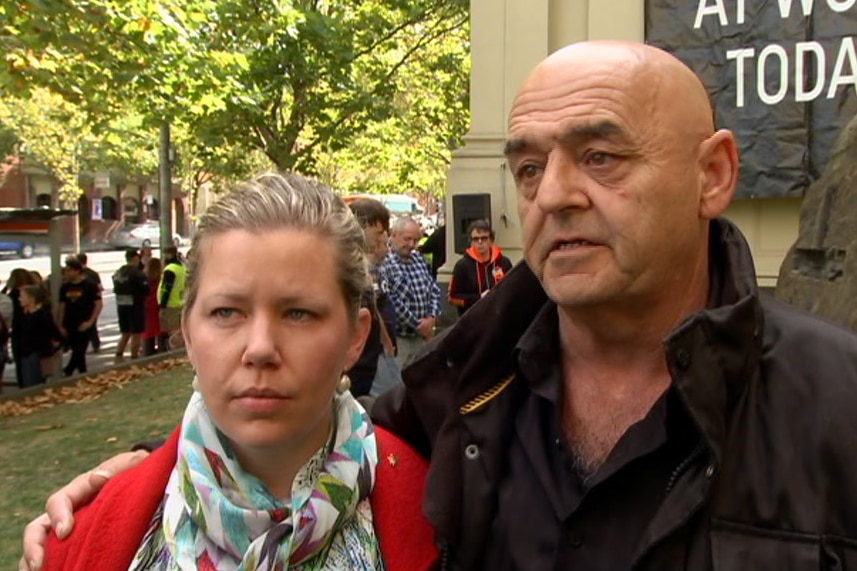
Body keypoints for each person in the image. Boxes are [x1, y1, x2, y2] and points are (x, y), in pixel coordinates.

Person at [23, 41, 857, 571]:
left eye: (600, 156)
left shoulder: (837, 404)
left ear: (712, 174)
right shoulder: (454, 401)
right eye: (528, 168)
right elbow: (283, 430)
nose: (554, 195)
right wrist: (139, 469)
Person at [30, 171, 437, 571]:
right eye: (226, 312)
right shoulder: (77, 537)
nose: (260, 348)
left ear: (355, 336)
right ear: (188, 333)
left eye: (298, 313)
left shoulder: (442, 520)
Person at [347, 198, 402, 398]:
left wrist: (385, 342)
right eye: (378, 232)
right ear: (362, 227)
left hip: (370, 357)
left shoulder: (367, 267)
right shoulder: (346, 266)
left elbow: (374, 309)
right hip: (356, 363)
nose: (384, 237)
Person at [377, 216, 440, 368]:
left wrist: (432, 317)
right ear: (394, 235)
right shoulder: (385, 263)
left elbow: (434, 289)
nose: (412, 244)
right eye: (407, 239)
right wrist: (419, 325)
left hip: (421, 339)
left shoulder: (419, 259)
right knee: (396, 385)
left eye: (416, 240)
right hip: (400, 339)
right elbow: (391, 300)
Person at [447, 219, 513, 315]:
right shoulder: (462, 266)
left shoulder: (503, 263)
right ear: (471, 242)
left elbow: (512, 289)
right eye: (476, 239)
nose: (480, 242)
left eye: (484, 238)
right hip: (472, 320)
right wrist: (479, 298)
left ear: (491, 240)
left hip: (499, 318)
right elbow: (452, 298)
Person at [57, 258, 102, 377]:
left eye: (69, 270)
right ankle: (83, 374)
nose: (66, 273)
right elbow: (62, 306)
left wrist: (90, 321)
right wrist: (60, 325)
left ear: (77, 271)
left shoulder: (90, 285)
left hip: (84, 323)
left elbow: (98, 304)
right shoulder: (65, 287)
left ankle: (68, 370)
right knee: (78, 353)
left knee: (79, 350)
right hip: (69, 323)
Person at [18, 284, 63, 387]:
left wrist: (55, 347)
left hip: (37, 354)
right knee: (27, 382)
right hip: (26, 353)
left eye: (22, 296)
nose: (19, 299)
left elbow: (54, 332)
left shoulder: (42, 315)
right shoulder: (27, 314)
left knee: (34, 382)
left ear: (31, 298)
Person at [112, 248, 149, 362]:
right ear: (135, 258)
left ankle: (119, 354)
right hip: (135, 305)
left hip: (121, 305)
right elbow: (146, 289)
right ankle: (134, 357)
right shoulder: (137, 273)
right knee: (136, 333)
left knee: (125, 333)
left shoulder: (119, 272)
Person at [3, 268, 36, 388]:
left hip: (19, 331)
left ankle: (24, 385)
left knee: (21, 363)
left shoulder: (14, 295)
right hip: (30, 332)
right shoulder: (34, 291)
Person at [158, 245, 185, 349]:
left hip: (170, 303)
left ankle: (176, 351)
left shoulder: (170, 269)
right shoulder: (181, 267)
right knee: (178, 330)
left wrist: (162, 304)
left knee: (173, 331)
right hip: (179, 302)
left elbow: (166, 288)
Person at [77, 252, 103, 353]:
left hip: (81, 302)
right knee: (92, 324)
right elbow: (100, 288)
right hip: (92, 303)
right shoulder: (93, 273)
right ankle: (95, 344)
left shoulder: (79, 273)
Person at [141, 257, 164, 356]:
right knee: (160, 330)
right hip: (158, 305)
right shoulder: (160, 278)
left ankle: (147, 352)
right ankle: (161, 352)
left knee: (147, 330)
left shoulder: (143, 278)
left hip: (146, 307)